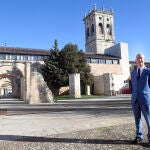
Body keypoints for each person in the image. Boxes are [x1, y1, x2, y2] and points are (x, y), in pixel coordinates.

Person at [131, 53, 150, 144]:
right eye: (138, 58)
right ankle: (139, 136)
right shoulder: (133, 72)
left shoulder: (148, 71)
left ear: (144, 59)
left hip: (145, 99)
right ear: (136, 60)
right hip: (135, 100)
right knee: (137, 119)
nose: (140, 60)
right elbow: (134, 86)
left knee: (148, 119)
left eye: (141, 58)